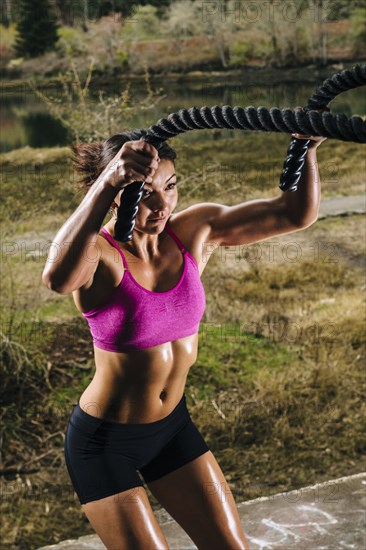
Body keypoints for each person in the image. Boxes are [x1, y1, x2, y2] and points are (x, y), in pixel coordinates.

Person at [42, 127, 326, 549]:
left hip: (172, 430)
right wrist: (107, 182)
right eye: (145, 192)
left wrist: (306, 147)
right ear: (116, 194)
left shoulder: (193, 230)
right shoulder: (99, 255)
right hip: (105, 445)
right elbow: (57, 278)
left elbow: (294, 213)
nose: (162, 204)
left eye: (170, 186)